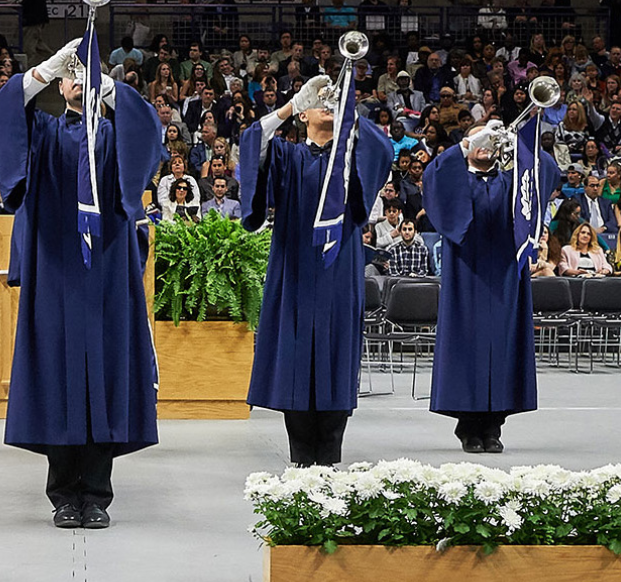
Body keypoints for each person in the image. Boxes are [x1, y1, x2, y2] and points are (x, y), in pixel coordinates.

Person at [0, 36, 163, 529]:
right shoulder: (42, 133)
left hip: (105, 270)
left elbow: (147, 128)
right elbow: (3, 112)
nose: (76, 81)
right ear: (59, 86)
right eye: (70, 75)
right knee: (57, 378)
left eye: (83, 74)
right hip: (57, 269)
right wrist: (44, 67)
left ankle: (98, 494)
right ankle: (64, 493)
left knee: (104, 376)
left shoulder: (115, 135)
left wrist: (105, 84)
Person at [239, 74, 392, 466]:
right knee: (295, 357)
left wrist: (350, 115)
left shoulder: (350, 157)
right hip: (295, 269)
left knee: (336, 355)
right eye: (318, 100)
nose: (325, 103)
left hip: (339, 271)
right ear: (304, 115)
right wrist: (291, 104)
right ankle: (300, 457)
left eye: (332, 100)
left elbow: (381, 149)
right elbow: (253, 140)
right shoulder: (289, 157)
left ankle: (331, 456)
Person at [422, 119, 560, 454]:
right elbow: (433, 177)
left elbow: (549, 173)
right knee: (466, 347)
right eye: (479, 138)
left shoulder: (512, 183)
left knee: (503, 347)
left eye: (491, 140)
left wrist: (521, 146)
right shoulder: (456, 176)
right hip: (466, 277)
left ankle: (494, 426)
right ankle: (468, 427)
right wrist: (467, 145)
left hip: (504, 276)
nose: (487, 144)